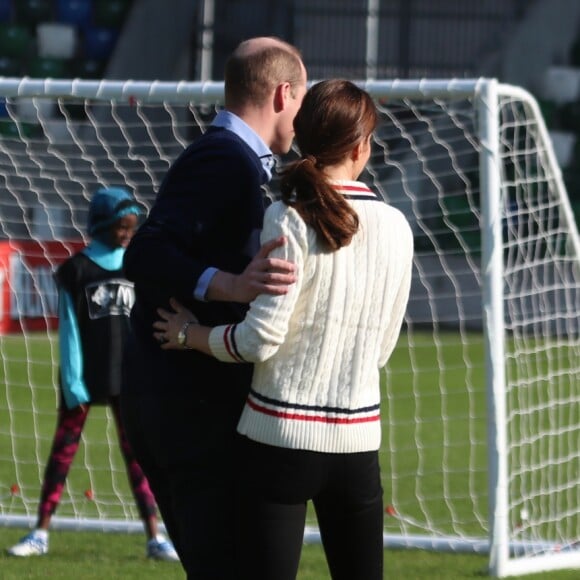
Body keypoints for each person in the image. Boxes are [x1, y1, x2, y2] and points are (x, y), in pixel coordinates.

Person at [153, 79, 415, 580]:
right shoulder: (397, 226)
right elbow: (382, 349)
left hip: (278, 442)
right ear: (363, 146)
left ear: (302, 137)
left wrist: (191, 335)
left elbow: (258, 339)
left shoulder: (287, 218)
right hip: (358, 445)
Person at [120, 37, 307, 578]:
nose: (301, 113)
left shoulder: (240, 159)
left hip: (191, 404)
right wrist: (229, 285)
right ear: (282, 93)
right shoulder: (223, 156)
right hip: (187, 408)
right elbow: (147, 251)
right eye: (301, 98)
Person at [6, 187, 178, 563]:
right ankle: (40, 532)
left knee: (139, 457)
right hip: (84, 378)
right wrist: (72, 382)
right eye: (121, 227)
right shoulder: (75, 270)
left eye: (132, 226)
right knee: (62, 456)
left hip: (129, 380)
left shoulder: (139, 264)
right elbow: (68, 328)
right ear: (102, 225)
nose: (128, 234)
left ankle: (155, 535)